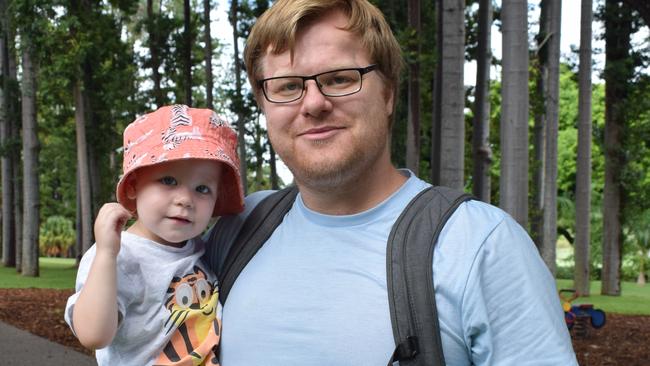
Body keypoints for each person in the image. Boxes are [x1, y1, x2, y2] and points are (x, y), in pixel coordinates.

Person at [204, 0, 578, 365]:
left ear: (388, 93)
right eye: (287, 86)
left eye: (339, 79)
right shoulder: (236, 231)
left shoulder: (481, 245)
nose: (313, 103)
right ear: (263, 104)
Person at [65, 105, 244, 366]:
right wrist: (105, 254)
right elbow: (93, 336)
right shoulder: (119, 253)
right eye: (169, 181)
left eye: (203, 188)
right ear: (134, 184)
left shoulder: (202, 248)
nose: (185, 200)